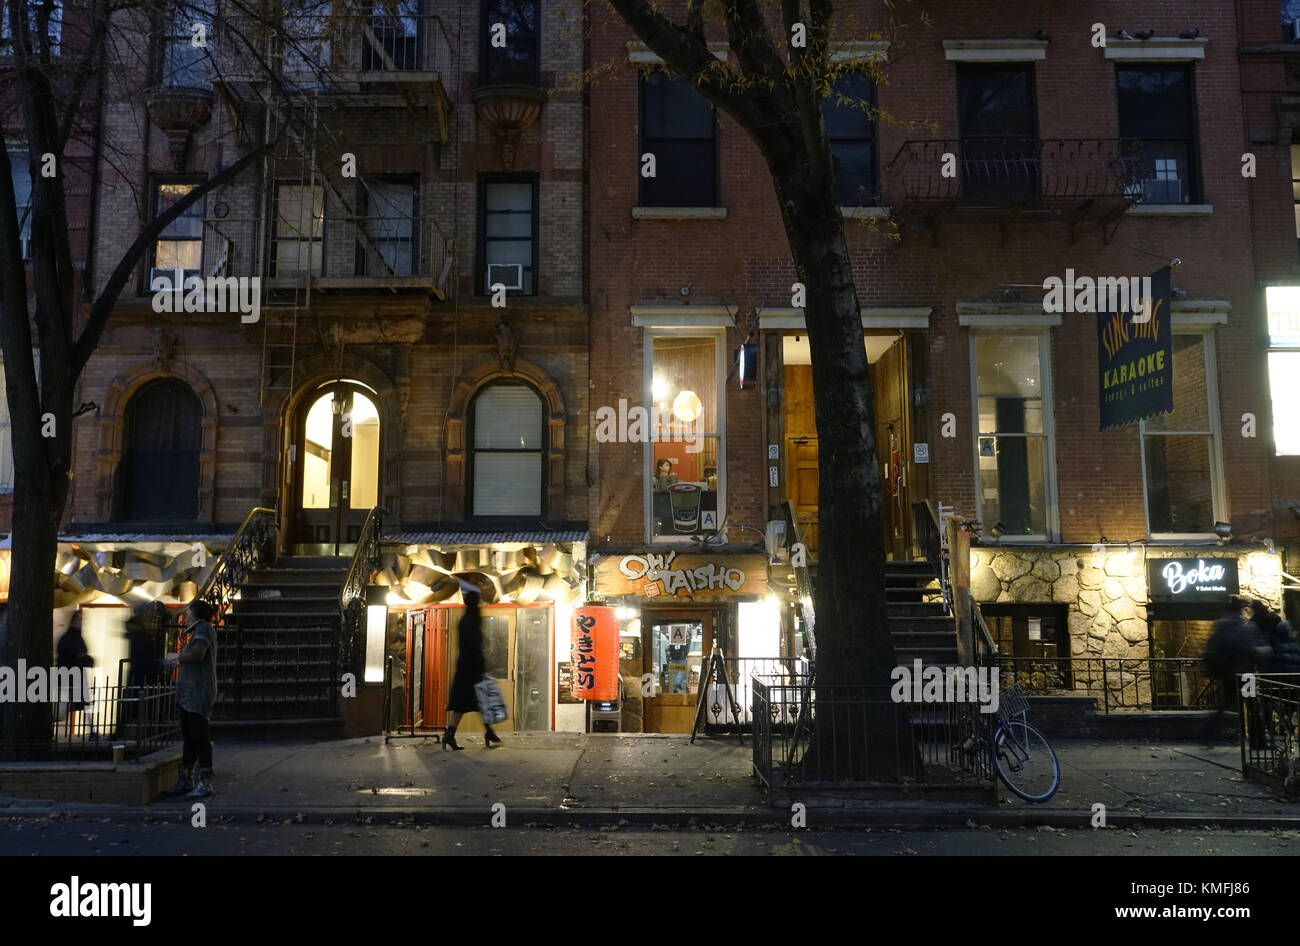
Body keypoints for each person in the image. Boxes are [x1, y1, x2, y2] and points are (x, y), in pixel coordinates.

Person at [164, 599, 219, 798]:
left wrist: (176, 658)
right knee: (189, 736)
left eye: (188, 613)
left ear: (196, 614)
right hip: (189, 692)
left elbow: (197, 654)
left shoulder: (202, 630)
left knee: (199, 736)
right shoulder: (198, 631)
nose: (185, 616)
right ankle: (186, 779)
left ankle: (204, 782)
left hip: (197, 692)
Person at [1199, 597, 1272, 745]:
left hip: (1228, 674)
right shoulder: (1242, 627)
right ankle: (1258, 741)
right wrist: (1263, 652)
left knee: (1225, 705)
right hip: (1245, 674)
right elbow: (1250, 650)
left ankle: (1207, 729)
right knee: (1253, 706)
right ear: (1240, 610)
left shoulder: (1221, 626)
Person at [443, 588, 501, 750]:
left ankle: (450, 734)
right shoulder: (474, 620)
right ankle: (488, 731)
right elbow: (476, 646)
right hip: (473, 668)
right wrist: (482, 668)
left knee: (463, 704)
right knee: (481, 700)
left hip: (463, 667)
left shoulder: (463, 619)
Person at [117, 602, 165, 740]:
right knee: (137, 709)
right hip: (142, 679)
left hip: (141, 678)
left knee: (133, 709)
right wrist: (158, 663)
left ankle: (128, 736)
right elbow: (140, 660)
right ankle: (135, 739)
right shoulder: (140, 637)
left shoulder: (140, 635)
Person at [55, 611, 95, 739]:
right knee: (77, 704)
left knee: (78, 704)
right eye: (79, 619)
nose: (81, 622)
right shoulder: (72, 638)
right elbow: (69, 655)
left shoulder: (74, 637)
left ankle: (91, 730)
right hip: (72, 676)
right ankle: (91, 730)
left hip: (73, 675)